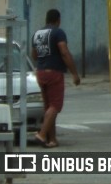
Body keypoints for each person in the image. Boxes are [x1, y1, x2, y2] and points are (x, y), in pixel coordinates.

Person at [31, 9, 80, 148]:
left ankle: (51, 139)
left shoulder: (37, 34)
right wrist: (74, 74)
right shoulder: (58, 32)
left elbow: (34, 55)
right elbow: (64, 52)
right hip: (54, 73)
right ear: (58, 19)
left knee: (48, 107)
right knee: (55, 106)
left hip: (40, 73)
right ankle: (41, 135)